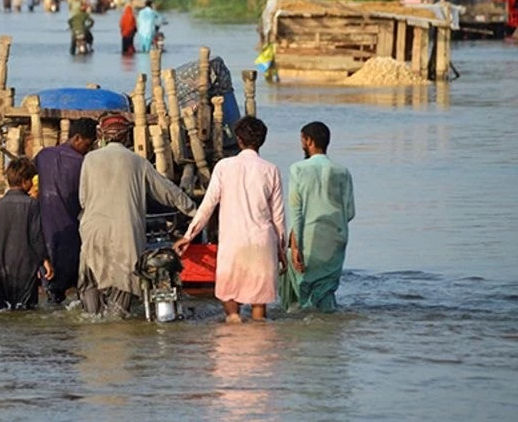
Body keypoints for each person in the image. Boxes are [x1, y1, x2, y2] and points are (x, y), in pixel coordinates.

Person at [78, 113, 197, 317]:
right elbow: (167, 191)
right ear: (126, 137)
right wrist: (194, 210)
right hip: (126, 231)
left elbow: (83, 198)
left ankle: (92, 319)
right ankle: (116, 323)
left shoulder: (90, 159)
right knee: (124, 282)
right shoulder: (138, 161)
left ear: (103, 136)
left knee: (91, 279)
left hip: (93, 229)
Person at [175, 116, 286, 322]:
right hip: (262, 242)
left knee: (230, 301)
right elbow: (278, 216)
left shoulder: (224, 167)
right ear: (262, 140)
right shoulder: (271, 170)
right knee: (259, 310)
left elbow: (207, 205)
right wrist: (281, 250)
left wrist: (189, 236)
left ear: (238, 139)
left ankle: (232, 332)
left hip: (233, 244)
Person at [280, 121, 355, 312]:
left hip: (309, 236)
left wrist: (296, 245)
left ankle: (307, 332)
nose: (302, 144)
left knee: (303, 289)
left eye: (302, 140)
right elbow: (350, 212)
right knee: (326, 290)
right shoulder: (342, 172)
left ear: (309, 141)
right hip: (336, 238)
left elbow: (296, 210)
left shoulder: (298, 169)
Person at [35, 118, 98, 304]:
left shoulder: (43, 155)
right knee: (75, 285)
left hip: (45, 232)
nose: (88, 148)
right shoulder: (82, 163)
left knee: (51, 286)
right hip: (71, 232)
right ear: (77, 138)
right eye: (87, 144)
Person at [0, 157, 54, 311]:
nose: (32, 184)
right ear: (24, 181)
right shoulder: (32, 204)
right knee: (27, 309)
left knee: (3, 308)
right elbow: (36, 237)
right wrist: (45, 261)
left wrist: (4, 248)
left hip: (1, 264)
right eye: (31, 180)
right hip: (25, 265)